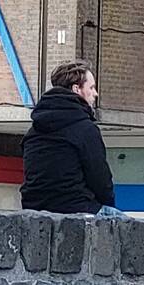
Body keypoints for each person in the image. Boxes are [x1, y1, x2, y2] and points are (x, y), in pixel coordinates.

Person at [20, 60, 123, 217]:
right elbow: (100, 179)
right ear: (77, 89)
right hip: (79, 208)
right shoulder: (85, 129)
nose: (95, 94)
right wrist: (107, 204)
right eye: (92, 87)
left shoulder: (33, 132)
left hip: (34, 210)